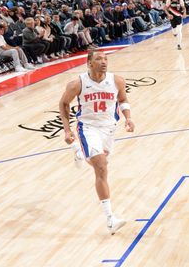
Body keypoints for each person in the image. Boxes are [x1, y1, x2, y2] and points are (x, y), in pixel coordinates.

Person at [58, 50, 135, 234]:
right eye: (99, 59)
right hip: (88, 127)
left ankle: (77, 151)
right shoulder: (77, 83)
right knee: (101, 167)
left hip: (109, 128)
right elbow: (63, 104)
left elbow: (123, 100)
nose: (104, 62)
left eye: (106, 59)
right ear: (89, 63)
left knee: (100, 163)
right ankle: (110, 219)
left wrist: (128, 118)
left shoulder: (117, 80)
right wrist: (67, 129)